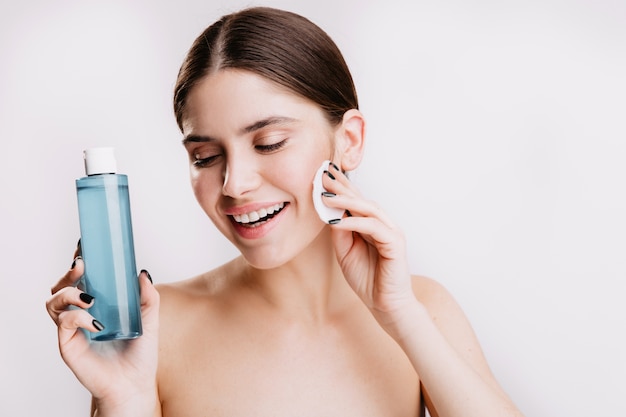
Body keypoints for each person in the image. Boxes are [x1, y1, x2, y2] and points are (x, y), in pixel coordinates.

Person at [46, 6, 525, 417]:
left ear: (350, 140)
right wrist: (124, 400)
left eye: (269, 143)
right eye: (206, 157)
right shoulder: (156, 330)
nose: (235, 183)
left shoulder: (423, 311)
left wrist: (402, 317)